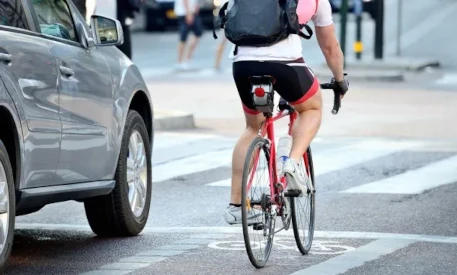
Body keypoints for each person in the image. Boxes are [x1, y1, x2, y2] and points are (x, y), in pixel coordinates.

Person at [224, 0, 349, 224]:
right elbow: (330, 48)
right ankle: (291, 161)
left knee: (253, 127)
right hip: (286, 65)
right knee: (311, 108)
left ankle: (235, 205)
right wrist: (340, 80)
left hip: (243, 64)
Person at [174, 0, 203, 69]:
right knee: (183, 37)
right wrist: (188, 13)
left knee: (197, 34)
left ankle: (186, 59)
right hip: (186, 13)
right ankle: (181, 61)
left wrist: (195, 7)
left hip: (190, 12)